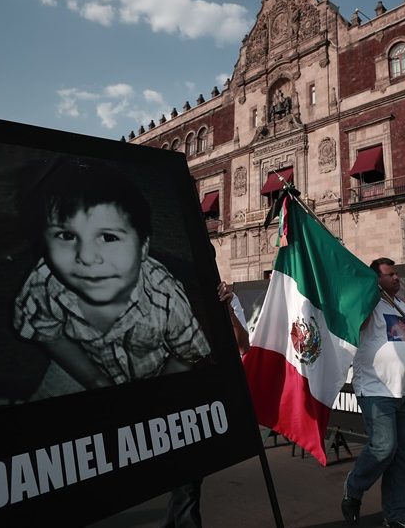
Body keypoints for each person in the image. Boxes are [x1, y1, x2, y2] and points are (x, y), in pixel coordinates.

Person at [13, 160, 211, 390]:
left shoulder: (165, 297)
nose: (86, 257)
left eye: (108, 237)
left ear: (143, 247)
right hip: (82, 364)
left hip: (153, 371)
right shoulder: (43, 283)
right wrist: (93, 379)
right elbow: (46, 331)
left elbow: (188, 354)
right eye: (66, 235)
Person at [342, 258, 405, 528]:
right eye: (390, 275)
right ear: (376, 280)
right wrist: (367, 293)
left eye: (397, 274)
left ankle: (397, 515)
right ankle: (354, 487)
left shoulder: (403, 308)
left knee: (403, 457)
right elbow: (356, 326)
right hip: (375, 388)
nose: (397, 278)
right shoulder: (368, 305)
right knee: (384, 446)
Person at [161, 280, 249, 528]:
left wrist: (228, 311)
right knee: (186, 489)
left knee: (188, 486)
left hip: (201, 405)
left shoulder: (226, 299)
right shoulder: (171, 287)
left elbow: (243, 345)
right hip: (171, 404)